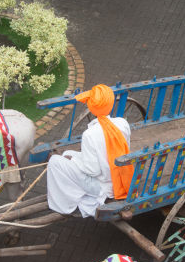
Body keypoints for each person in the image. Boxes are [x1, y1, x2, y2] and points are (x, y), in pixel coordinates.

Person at [47, 84, 134, 217]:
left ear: (91, 108)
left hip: (103, 187)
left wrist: (75, 160)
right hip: (120, 177)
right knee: (67, 154)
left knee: (54, 161)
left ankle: (64, 203)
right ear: (111, 103)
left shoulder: (90, 134)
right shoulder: (123, 123)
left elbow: (93, 171)